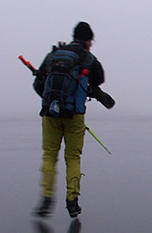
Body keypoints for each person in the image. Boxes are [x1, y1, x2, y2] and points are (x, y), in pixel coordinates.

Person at [32, 21, 107, 218]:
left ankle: (46, 198)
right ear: (89, 40)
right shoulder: (88, 58)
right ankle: (72, 202)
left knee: (49, 155)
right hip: (74, 116)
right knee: (73, 158)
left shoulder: (54, 55)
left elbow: (38, 83)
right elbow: (99, 79)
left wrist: (53, 102)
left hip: (49, 113)